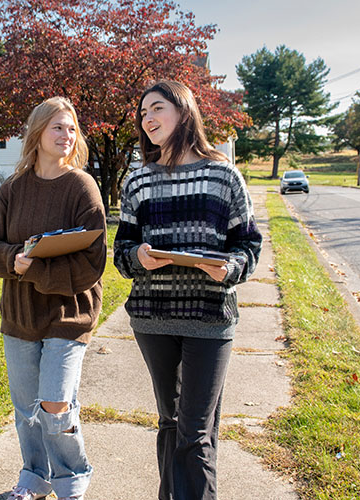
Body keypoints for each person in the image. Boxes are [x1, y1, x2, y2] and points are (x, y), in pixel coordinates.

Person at [113, 81, 262, 500]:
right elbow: (121, 252)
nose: (147, 119)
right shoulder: (137, 180)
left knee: (193, 430)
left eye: (156, 108)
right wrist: (138, 258)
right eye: (142, 113)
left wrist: (231, 267)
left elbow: (248, 245)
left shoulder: (223, 175)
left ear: (184, 111)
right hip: (151, 317)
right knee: (171, 422)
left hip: (209, 317)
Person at [0, 97, 106, 500]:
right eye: (58, 128)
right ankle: (34, 478)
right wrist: (12, 260)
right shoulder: (13, 189)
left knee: (55, 403)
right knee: (27, 412)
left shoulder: (81, 186)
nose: (67, 136)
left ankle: (72, 479)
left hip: (68, 315)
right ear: (37, 133)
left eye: (71, 129)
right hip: (20, 316)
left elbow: (93, 261)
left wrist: (36, 269)